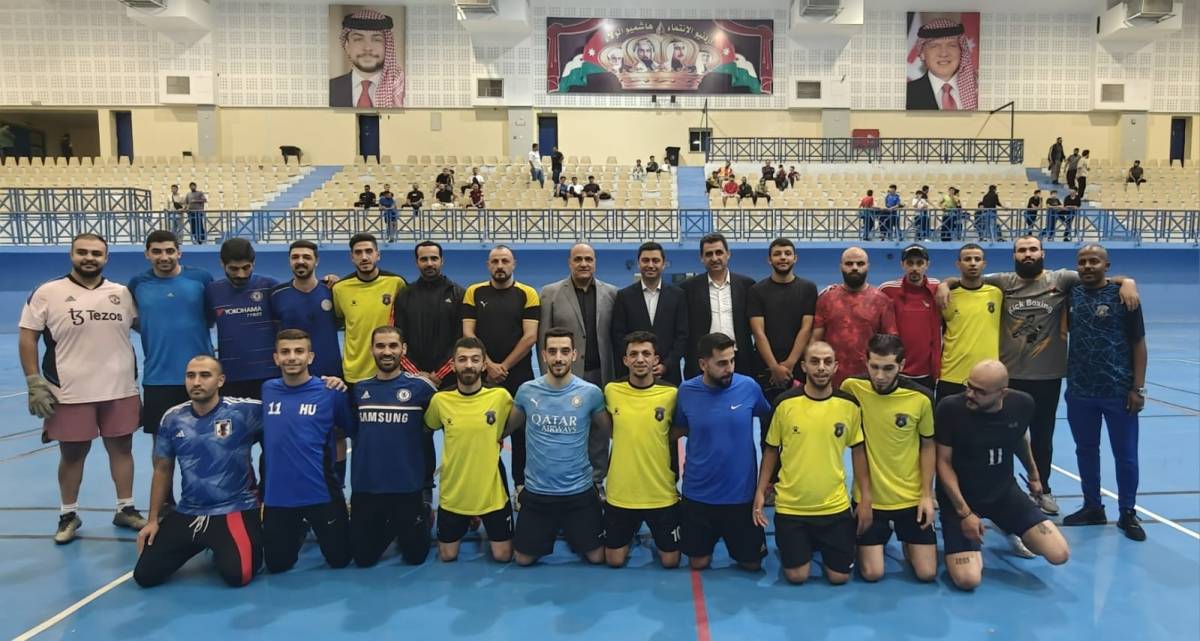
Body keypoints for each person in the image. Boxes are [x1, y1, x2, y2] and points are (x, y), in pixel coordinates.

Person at [936, 236, 1139, 517]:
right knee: (1001, 437)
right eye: (1022, 250)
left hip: (1047, 375)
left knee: (1043, 437)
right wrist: (945, 284)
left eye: (1033, 249)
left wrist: (1126, 281)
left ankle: (1042, 490)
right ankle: (996, 491)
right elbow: (967, 278)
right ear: (1014, 256)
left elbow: (1096, 275)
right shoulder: (1002, 282)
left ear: (1042, 253)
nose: (1027, 254)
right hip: (1009, 376)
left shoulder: (1062, 279)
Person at [19, 233, 147, 544]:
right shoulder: (47, 292)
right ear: (71, 254)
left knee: (122, 450)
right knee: (73, 454)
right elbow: (27, 337)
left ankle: (125, 508)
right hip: (69, 392)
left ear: (106, 258)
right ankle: (68, 514)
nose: (89, 258)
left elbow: (148, 328)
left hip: (120, 389)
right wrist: (33, 381)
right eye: (83, 252)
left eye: (96, 253)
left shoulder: (123, 294)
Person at [935, 360, 1071, 591]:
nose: (970, 394)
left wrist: (1034, 475)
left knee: (1059, 554)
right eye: (969, 386)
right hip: (962, 499)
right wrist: (965, 513)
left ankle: (1007, 524)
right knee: (968, 580)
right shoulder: (950, 409)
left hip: (1003, 494)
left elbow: (1019, 438)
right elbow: (943, 463)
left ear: (1002, 393)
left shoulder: (1022, 404)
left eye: (980, 391)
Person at [133, 356, 263, 588]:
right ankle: (207, 543)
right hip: (189, 511)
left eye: (205, 375)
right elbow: (162, 469)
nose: (196, 382)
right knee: (144, 576)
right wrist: (152, 520)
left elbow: (286, 406)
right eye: (190, 376)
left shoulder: (244, 411)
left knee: (238, 575)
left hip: (234, 508)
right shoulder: (173, 418)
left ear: (220, 380)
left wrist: (326, 386)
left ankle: (233, 543)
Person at [753, 341, 869, 585]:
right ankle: (803, 544)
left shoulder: (849, 405)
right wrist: (761, 492)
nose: (821, 367)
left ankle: (818, 544)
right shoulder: (784, 403)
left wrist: (865, 499)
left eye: (827, 362)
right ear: (804, 366)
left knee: (839, 577)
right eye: (815, 361)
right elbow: (771, 450)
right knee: (797, 576)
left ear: (836, 367)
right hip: (792, 509)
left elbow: (858, 452)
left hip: (834, 508)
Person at [1062, 244, 1148, 541]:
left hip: (1118, 392)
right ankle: (1092, 507)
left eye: (1094, 261)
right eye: (1082, 262)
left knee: (1126, 455)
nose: (1087, 266)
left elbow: (1139, 345)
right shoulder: (1071, 294)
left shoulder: (1124, 297)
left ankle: (1128, 512)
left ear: (1106, 266)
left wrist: (1138, 388)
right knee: (1086, 451)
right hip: (1079, 391)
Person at [506, 328, 609, 566]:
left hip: (578, 491)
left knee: (597, 558)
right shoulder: (527, 391)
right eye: (552, 352)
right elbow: (505, 430)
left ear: (574, 354)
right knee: (522, 560)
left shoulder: (591, 393)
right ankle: (557, 528)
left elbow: (608, 432)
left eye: (564, 351)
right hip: (538, 492)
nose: (558, 358)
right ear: (543, 355)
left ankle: (570, 528)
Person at [839, 335, 937, 582]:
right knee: (872, 573)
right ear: (866, 362)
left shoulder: (921, 398)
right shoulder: (852, 388)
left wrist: (927, 495)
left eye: (888, 368)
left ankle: (906, 540)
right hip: (871, 500)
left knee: (927, 573)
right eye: (874, 367)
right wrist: (863, 500)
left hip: (910, 498)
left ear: (901, 365)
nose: (880, 375)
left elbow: (928, 446)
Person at [129, 230, 214, 509]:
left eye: (169, 250)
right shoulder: (137, 284)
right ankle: (165, 504)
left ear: (179, 252)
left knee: (206, 442)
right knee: (163, 448)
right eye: (157, 251)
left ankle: (205, 500)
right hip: (159, 379)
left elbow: (212, 317)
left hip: (201, 377)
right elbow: (135, 320)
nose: (164, 257)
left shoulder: (201, 278)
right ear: (147, 254)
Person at [261, 329, 355, 572]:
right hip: (279, 496)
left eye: (299, 351)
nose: (292, 357)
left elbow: (350, 430)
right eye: (285, 352)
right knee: (277, 565)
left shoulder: (331, 392)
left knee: (340, 560)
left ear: (310, 357)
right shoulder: (267, 390)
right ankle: (298, 528)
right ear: (276, 358)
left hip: (321, 492)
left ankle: (310, 523)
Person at [675, 333, 771, 571]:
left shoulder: (748, 387)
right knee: (698, 563)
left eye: (732, 361)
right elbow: (678, 429)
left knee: (752, 564)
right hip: (698, 495)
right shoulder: (686, 392)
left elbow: (769, 421)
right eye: (721, 363)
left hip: (741, 497)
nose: (729, 368)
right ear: (703, 364)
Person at [346, 327, 438, 567]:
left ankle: (422, 512)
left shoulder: (422, 388)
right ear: (371, 350)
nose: (387, 352)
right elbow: (352, 429)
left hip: (406, 488)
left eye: (393, 346)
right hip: (367, 488)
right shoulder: (359, 389)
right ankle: (392, 525)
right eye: (380, 346)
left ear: (403, 350)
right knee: (363, 559)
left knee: (416, 558)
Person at [424, 337, 516, 562]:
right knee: (447, 556)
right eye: (462, 359)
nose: (468, 365)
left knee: (503, 556)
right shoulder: (440, 400)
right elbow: (428, 428)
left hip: (491, 493)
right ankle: (468, 518)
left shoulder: (500, 397)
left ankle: (477, 516)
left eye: (475, 360)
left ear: (484, 364)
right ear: (453, 365)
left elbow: (514, 422)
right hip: (454, 493)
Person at [462, 245, 541, 501]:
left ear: (513, 263)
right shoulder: (474, 292)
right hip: (483, 375)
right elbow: (468, 333)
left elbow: (530, 337)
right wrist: (487, 365)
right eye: (495, 261)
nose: (500, 266)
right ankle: (484, 487)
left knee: (521, 434)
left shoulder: (527, 293)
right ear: (488, 265)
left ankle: (520, 486)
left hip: (519, 376)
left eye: (505, 261)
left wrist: (503, 367)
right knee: (482, 431)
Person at [539, 244, 617, 487]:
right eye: (578, 259)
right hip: (566, 376)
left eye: (589, 259)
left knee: (600, 433)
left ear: (595, 262)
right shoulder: (550, 293)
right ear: (569, 262)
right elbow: (543, 338)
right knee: (565, 430)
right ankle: (566, 481)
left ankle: (596, 481)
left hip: (601, 374)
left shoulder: (612, 293)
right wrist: (547, 378)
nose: (584, 263)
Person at [392, 241, 464, 504]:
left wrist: (440, 373)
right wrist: (418, 375)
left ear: (442, 260)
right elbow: (396, 337)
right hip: (414, 382)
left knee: (457, 438)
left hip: (451, 381)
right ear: (416, 262)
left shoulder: (458, 293)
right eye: (424, 259)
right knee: (420, 438)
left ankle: (463, 493)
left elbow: (463, 341)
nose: (429, 263)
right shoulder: (405, 295)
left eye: (434, 258)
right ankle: (424, 491)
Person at [603, 332, 682, 568]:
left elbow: (678, 430)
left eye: (646, 354)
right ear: (625, 360)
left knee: (671, 561)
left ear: (655, 360)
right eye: (634, 354)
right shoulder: (611, 391)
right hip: (621, 493)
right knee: (614, 560)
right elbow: (610, 429)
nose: (640, 359)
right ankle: (632, 530)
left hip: (660, 493)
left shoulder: (671, 394)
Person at [813, 247, 898, 389]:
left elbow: (890, 345)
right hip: (831, 381)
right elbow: (815, 342)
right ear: (841, 266)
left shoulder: (882, 301)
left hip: (869, 382)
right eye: (849, 263)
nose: (854, 268)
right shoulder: (826, 299)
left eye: (860, 263)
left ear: (867, 266)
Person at [205, 238, 279, 400]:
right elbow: (208, 322)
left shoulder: (270, 286)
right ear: (222, 264)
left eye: (246, 267)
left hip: (270, 376)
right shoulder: (212, 291)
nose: (241, 274)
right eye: (234, 269)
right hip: (230, 377)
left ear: (254, 263)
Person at [331, 233, 408, 387]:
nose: (364, 257)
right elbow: (339, 320)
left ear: (377, 255)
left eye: (369, 251)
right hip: (355, 372)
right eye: (358, 253)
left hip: (390, 369)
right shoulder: (340, 288)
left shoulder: (396, 283)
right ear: (352, 257)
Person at [680, 233, 759, 379]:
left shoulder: (747, 285)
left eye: (719, 252)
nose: (714, 258)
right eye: (709, 254)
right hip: (703, 361)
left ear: (728, 254)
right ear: (701, 258)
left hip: (740, 359)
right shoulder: (687, 288)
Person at [610, 242, 688, 384]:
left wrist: (666, 365)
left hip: (668, 375)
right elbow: (618, 335)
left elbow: (682, 336)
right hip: (633, 375)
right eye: (645, 260)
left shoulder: (678, 295)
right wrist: (636, 363)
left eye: (655, 260)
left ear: (663, 264)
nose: (650, 265)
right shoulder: (624, 296)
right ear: (638, 264)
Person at [748, 238, 817, 399]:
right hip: (765, 364)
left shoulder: (808, 288)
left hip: (798, 364)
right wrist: (774, 367)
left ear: (795, 258)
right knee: (768, 411)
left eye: (787, 253)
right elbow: (758, 332)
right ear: (769, 259)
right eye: (777, 254)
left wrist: (790, 364)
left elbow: (806, 328)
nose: (783, 257)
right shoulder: (756, 291)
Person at [936, 244, 1002, 404]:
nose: (973, 263)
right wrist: (944, 285)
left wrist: (945, 283)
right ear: (958, 264)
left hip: (987, 377)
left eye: (977, 259)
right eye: (967, 259)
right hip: (951, 375)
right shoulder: (946, 295)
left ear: (984, 264)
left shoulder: (996, 294)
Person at [270, 241, 343, 380]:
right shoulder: (277, 295)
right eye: (295, 257)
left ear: (317, 261)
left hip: (332, 376)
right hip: (292, 376)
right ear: (289, 261)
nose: (300, 261)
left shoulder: (333, 290)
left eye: (307, 257)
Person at [878, 245, 940, 390]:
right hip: (895, 371)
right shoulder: (887, 289)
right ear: (902, 264)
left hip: (927, 374)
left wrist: (946, 285)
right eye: (910, 263)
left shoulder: (937, 288)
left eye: (919, 263)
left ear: (927, 265)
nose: (914, 268)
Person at [329, 9, 404, 108]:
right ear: (347, 46)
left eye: (376, 39)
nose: (367, 48)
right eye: (358, 39)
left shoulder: (402, 89)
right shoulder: (328, 89)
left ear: (387, 46)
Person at [906, 17, 977, 111]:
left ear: (961, 51)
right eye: (934, 46)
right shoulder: (906, 94)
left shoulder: (978, 91)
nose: (944, 53)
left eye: (952, 45)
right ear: (922, 54)